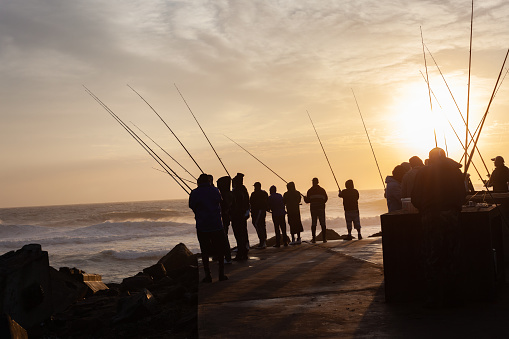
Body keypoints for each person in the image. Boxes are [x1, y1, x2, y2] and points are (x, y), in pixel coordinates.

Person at [411, 147, 466, 308]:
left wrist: (425, 208)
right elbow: (462, 196)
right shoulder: (455, 172)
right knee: (452, 254)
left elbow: (415, 198)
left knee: (431, 255)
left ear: (430, 158)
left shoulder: (422, 173)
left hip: (430, 216)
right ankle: (453, 296)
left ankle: (433, 297)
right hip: (451, 215)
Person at [188, 173, 228, 282]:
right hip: (216, 225)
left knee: (204, 251)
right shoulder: (215, 190)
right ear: (209, 181)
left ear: (198, 182)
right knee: (220, 250)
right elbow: (220, 201)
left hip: (202, 226)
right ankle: (221, 274)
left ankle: (208, 275)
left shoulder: (194, 193)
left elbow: (192, 206)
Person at [231, 173, 250, 261]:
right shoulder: (243, 189)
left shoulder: (236, 192)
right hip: (243, 215)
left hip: (237, 216)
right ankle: (244, 251)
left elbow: (232, 205)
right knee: (243, 233)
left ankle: (240, 253)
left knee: (239, 234)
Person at [304, 177, 328, 243]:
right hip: (321, 208)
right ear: (318, 182)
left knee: (314, 223)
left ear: (313, 182)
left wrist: (304, 198)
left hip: (313, 209)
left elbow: (307, 201)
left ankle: (314, 239)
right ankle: (324, 239)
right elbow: (325, 199)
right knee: (323, 223)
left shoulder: (310, 191)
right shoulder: (322, 190)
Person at [217, 175, 233, 264]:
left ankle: (227, 256)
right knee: (223, 237)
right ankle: (226, 256)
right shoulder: (229, 193)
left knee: (223, 237)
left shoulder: (224, 195)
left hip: (223, 218)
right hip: (226, 218)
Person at [249, 182, 269, 249]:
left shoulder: (254, 194)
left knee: (257, 224)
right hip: (262, 211)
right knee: (262, 224)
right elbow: (267, 201)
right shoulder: (264, 193)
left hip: (258, 211)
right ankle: (264, 241)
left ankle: (262, 241)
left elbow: (251, 202)